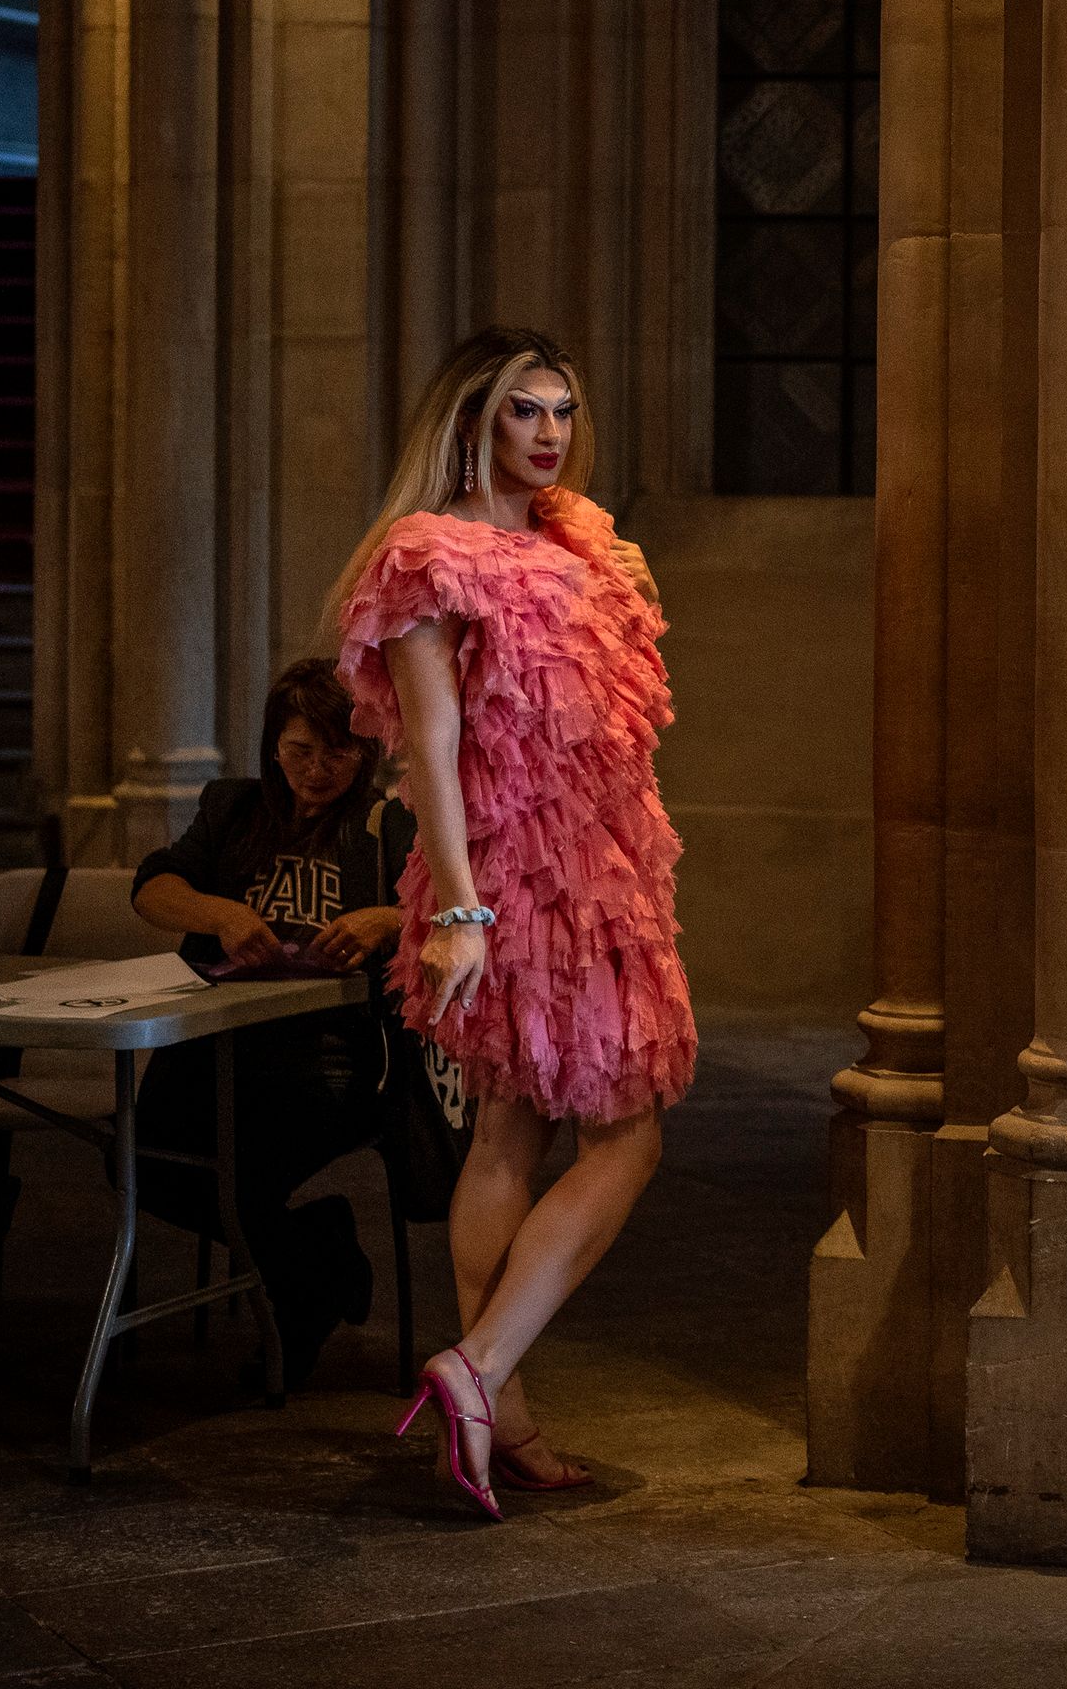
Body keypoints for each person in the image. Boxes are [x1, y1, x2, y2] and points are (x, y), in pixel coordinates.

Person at [333, 325, 691, 1516]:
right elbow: (429, 745)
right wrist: (463, 909)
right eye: (523, 411)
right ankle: (479, 1369)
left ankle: (506, 1407)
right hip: (510, 877)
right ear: (471, 423)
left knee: (507, 1134)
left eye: (562, 411)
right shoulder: (432, 555)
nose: (548, 434)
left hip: (603, 865)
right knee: (624, 1137)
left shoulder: (583, 542)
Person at [127, 656, 411, 1386]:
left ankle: (298, 1309)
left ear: (367, 750)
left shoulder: (387, 824)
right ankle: (322, 1253)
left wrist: (390, 919)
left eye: (337, 752)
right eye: (299, 751)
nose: (317, 771)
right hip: (212, 1045)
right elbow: (152, 888)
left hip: (328, 1060)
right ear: (272, 747)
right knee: (135, 1162)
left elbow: (463, 914)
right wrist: (218, 913)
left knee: (239, 1173)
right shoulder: (234, 810)